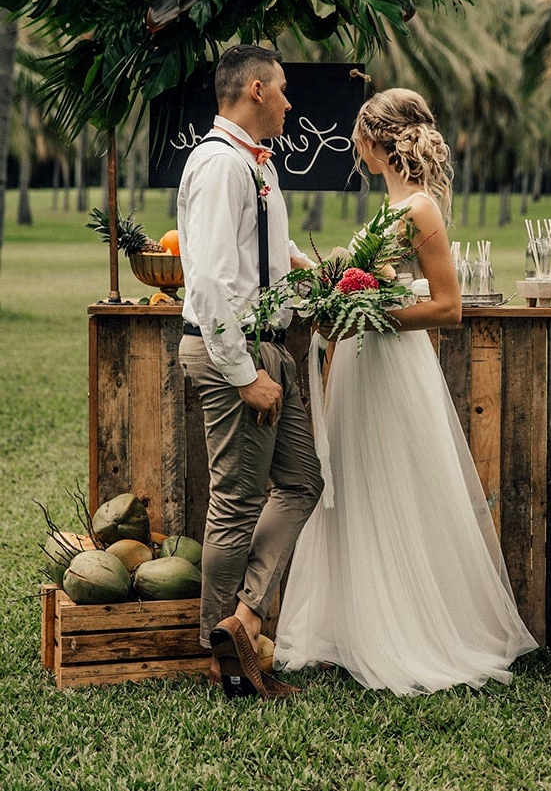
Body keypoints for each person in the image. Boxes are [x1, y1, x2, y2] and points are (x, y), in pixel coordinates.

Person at [273, 88, 537, 695]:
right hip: (366, 366)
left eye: (358, 137)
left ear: (374, 141)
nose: (355, 147)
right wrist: (322, 284)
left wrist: (367, 314)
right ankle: (353, 624)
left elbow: (448, 307)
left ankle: (409, 630)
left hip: (394, 366)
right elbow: (377, 284)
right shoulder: (393, 206)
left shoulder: (419, 208)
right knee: (359, 486)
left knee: (396, 483)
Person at [177, 44, 324, 700]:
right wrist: (241, 373)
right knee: (236, 500)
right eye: (285, 91)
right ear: (257, 89)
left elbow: (254, 250)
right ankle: (220, 654)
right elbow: (207, 276)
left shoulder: (252, 164)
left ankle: (243, 618)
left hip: (268, 344)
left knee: (300, 481)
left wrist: (310, 264)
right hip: (233, 350)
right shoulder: (217, 164)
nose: (292, 104)